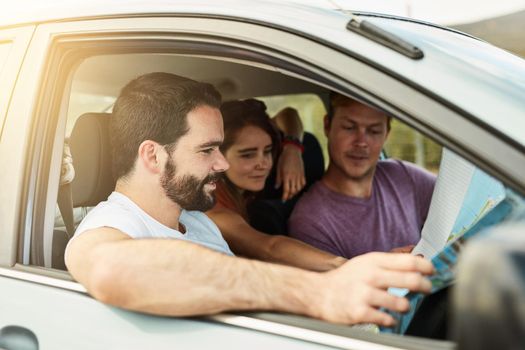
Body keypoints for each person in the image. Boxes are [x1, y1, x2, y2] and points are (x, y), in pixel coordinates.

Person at [65, 72, 434, 327]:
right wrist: (317, 293)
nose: (222, 163)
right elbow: (110, 269)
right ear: (153, 156)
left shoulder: (196, 219)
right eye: (208, 149)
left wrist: (354, 269)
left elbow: (269, 248)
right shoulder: (107, 226)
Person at [288, 93, 437, 259]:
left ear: (386, 134)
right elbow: (335, 284)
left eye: (374, 131)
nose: (361, 142)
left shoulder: (405, 176)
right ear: (327, 126)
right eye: (349, 128)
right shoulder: (310, 220)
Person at [206, 99, 343, 271]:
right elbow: (269, 247)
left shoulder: (243, 181)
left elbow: (288, 114)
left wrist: (292, 148)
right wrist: (341, 265)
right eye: (247, 155)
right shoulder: (214, 211)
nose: (263, 164)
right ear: (218, 157)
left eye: (268, 151)